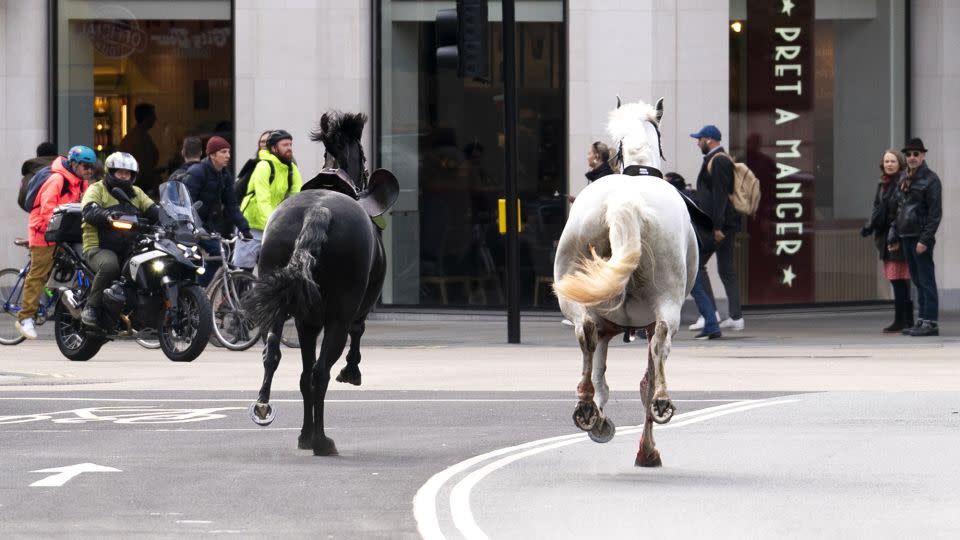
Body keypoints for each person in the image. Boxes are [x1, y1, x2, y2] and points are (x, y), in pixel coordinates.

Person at [14, 146, 96, 339]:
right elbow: (46, 210)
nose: (89, 171)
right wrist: (57, 230)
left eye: (91, 167)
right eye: (86, 167)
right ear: (74, 163)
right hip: (43, 231)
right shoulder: (57, 179)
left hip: (64, 231)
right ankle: (25, 318)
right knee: (39, 273)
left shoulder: (81, 182)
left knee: (76, 265)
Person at [80, 152, 161, 327]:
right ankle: (91, 307)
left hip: (130, 246)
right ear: (110, 172)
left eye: (128, 173)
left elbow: (154, 211)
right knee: (110, 266)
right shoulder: (97, 189)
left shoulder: (136, 193)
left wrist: (173, 219)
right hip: (99, 246)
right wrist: (107, 215)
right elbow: (89, 210)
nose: (125, 176)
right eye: (120, 172)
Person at [687, 124, 744, 332]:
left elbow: (720, 196)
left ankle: (710, 313)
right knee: (726, 270)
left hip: (718, 227)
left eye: (699, 139)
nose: (697, 143)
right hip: (725, 225)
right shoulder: (717, 159)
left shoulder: (718, 160)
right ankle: (735, 317)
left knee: (697, 266)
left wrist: (717, 227)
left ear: (709, 140)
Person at [888, 137, 941, 337]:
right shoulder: (903, 178)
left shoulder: (931, 179)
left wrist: (925, 240)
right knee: (917, 280)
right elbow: (898, 209)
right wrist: (894, 236)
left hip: (920, 237)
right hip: (905, 235)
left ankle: (931, 321)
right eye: (908, 154)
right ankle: (922, 320)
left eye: (915, 154)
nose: (911, 157)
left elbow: (935, 214)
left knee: (926, 279)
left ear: (923, 156)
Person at [182, 136, 252, 286]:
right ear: (212, 155)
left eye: (228, 152)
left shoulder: (225, 175)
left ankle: (199, 289)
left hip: (206, 225)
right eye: (223, 152)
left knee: (221, 254)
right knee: (188, 260)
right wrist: (194, 226)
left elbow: (231, 205)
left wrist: (244, 228)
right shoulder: (197, 172)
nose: (228, 155)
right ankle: (189, 292)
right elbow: (185, 203)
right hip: (187, 225)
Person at [233, 129, 303, 270]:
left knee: (272, 271)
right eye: (285, 145)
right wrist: (274, 224)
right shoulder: (263, 167)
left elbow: (297, 198)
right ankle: (234, 291)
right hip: (252, 226)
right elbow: (262, 200)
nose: (289, 148)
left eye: (290, 144)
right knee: (242, 272)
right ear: (274, 148)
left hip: (273, 226)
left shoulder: (291, 169)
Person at [861, 149, 912, 333]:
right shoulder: (882, 184)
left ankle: (903, 321)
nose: (889, 164)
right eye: (887, 161)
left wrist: (894, 234)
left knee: (900, 280)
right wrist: (869, 226)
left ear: (900, 163)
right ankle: (903, 320)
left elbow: (902, 211)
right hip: (884, 236)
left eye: (893, 161)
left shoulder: (902, 182)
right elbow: (877, 208)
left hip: (896, 237)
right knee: (896, 280)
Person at [119, 103, 160, 197]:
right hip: (140, 187)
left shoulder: (133, 136)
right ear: (146, 117)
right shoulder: (140, 138)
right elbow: (144, 165)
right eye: (153, 115)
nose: (155, 119)